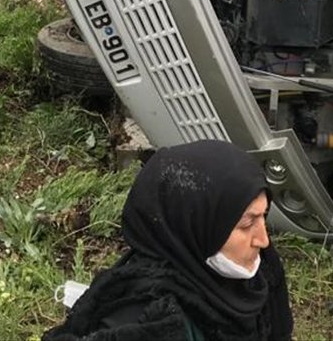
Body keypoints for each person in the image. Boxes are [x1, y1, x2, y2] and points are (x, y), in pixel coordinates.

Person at [44, 139, 293, 341]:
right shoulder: (149, 320)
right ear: (194, 227)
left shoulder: (257, 275)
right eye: (247, 224)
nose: (263, 240)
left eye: (264, 216)